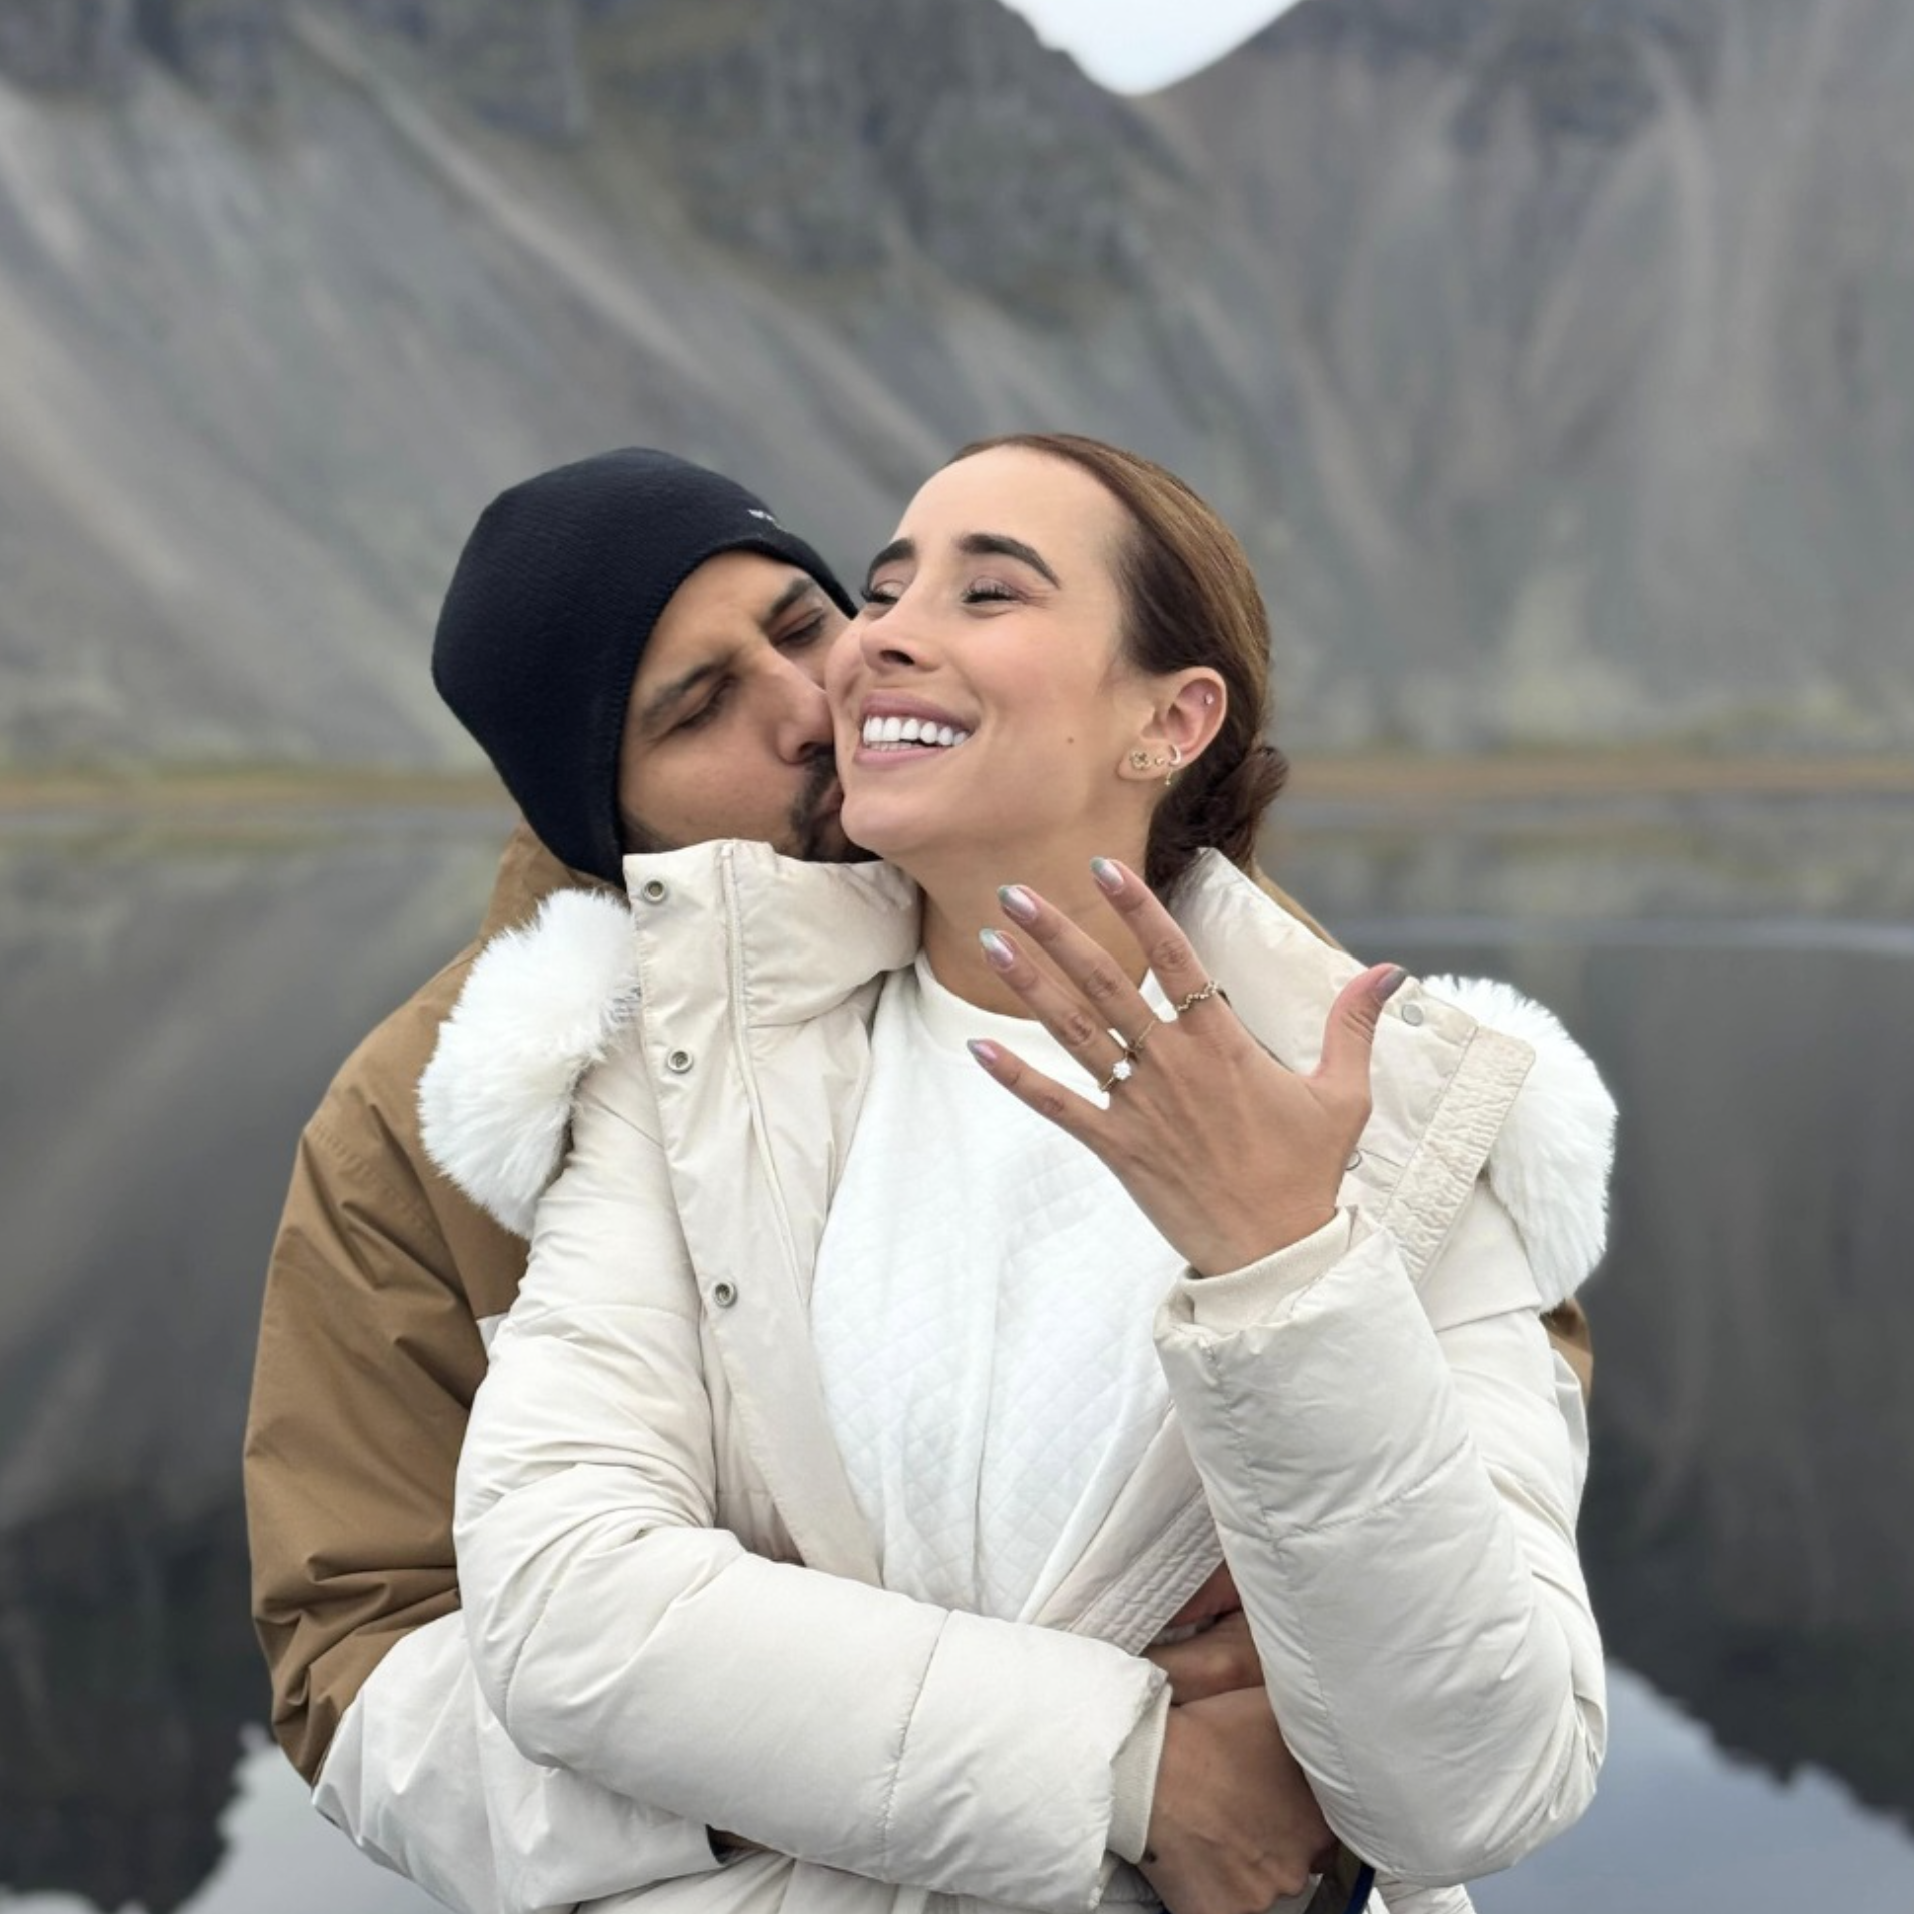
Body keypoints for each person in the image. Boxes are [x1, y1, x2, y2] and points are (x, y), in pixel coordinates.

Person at [424, 435, 1614, 1914]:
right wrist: (1125, 1768)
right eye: (882, 588)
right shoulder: (676, 1083)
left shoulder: (1406, 1116)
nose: (872, 641)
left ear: (1169, 719)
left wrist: (1286, 1269)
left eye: (987, 592)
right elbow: (562, 1605)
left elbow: (1477, 1786)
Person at [244, 447, 1346, 1914]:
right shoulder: (422, 1126)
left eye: (802, 623)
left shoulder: (1186, 960)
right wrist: (1016, 1770)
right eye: (699, 706)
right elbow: (363, 1667)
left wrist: (1318, 1700)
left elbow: (1466, 1385)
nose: (809, 707)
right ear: (602, 817)